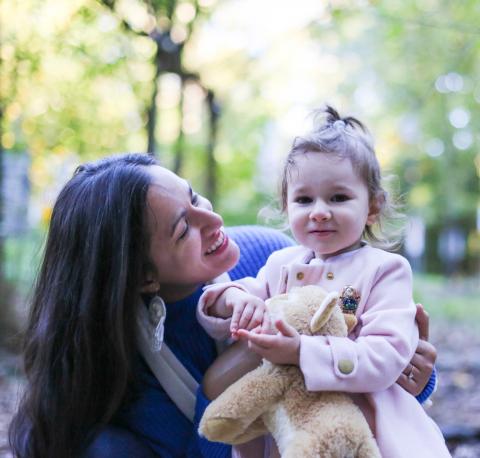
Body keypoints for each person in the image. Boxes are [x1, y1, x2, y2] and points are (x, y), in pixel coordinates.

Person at [8, 152, 437, 458]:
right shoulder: (126, 365)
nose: (214, 222)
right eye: (184, 229)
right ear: (144, 277)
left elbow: (358, 344)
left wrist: (414, 376)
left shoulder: (272, 254)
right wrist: (222, 379)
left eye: (194, 198)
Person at [198, 107, 449, 457]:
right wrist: (233, 301)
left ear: (373, 207)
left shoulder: (385, 270)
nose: (318, 210)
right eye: (304, 199)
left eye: (338, 197)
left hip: (369, 424)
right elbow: (237, 295)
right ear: (287, 207)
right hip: (291, 427)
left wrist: (302, 352)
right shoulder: (279, 265)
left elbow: (386, 354)